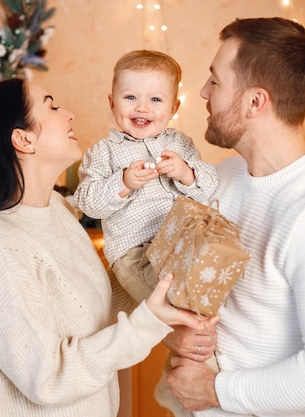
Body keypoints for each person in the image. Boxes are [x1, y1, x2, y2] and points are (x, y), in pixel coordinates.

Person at [0, 78, 206, 417]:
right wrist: (148, 322)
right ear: (24, 139)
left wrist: (161, 267)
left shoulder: (57, 210)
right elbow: (48, 377)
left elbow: (96, 308)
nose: (70, 114)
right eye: (52, 105)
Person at [163, 17, 305, 417]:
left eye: (216, 81)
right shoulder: (223, 178)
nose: (202, 92)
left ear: (255, 102)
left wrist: (214, 389)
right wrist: (180, 334)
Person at [74, 50, 218, 302]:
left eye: (155, 99)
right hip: (136, 251)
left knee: (215, 289)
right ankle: (186, 333)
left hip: (185, 241)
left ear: (173, 108)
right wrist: (123, 183)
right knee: (172, 304)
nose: (142, 107)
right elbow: (88, 203)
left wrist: (186, 173)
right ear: (112, 103)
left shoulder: (181, 144)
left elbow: (211, 187)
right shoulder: (103, 151)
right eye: (130, 97)